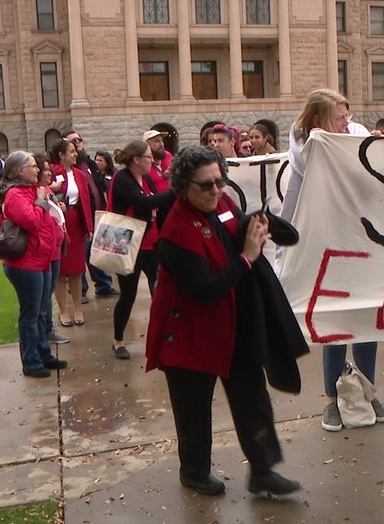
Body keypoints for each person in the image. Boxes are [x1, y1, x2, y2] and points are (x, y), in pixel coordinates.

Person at [145, 145, 305, 496]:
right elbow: (205, 290)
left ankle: (263, 471)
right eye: (205, 185)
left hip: (233, 328)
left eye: (220, 181)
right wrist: (247, 258)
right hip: (189, 335)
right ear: (184, 186)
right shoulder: (177, 233)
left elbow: (274, 234)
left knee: (253, 401)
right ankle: (194, 471)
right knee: (193, 413)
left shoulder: (225, 207)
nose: (215, 190)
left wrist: (265, 224)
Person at [280, 88, 384, 432]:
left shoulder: (357, 135)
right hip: (327, 248)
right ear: (318, 119)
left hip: (362, 243)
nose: (347, 122)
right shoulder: (303, 145)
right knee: (336, 325)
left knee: (367, 321)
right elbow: (310, 166)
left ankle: (366, 391)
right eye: (339, 117)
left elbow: (378, 172)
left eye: (347, 115)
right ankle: (331, 399)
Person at [0, 151, 68, 378]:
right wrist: (40, 201)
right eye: (33, 166)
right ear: (19, 171)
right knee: (30, 314)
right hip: (25, 263)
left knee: (40, 313)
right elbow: (33, 222)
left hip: (41, 259)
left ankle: (43, 354)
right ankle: (31, 361)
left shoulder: (32, 191)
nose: (38, 169)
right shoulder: (16, 195)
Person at [108, 140, 176, 360]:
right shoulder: (122, 179)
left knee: (161, 291)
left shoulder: (146, 177)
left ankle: (165, 338)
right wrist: (176, 191)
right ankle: (118, 340)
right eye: (148, 157)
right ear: (136, 159)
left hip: (151, 243)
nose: (152, 160)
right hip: (130, 245)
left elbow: (159, 203)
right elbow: (143, 203)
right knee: (128, 294)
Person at [63, 130, 118, 302]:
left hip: (97, 214)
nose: (78, 143)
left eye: (79, 139)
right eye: (74, 141)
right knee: (82, 252)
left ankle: (103, 286)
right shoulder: (70, 167)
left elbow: (99, 185)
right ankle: (81, 291)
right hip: (79, 216)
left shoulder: (88, 163)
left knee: (98, 251)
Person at [50, 139, 93, 327]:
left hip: (77, 222)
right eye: (72, 152)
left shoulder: (79, 175)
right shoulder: (52, 172)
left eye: (75, 151)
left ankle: (77, 308)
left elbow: (86, 201)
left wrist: (88, 227)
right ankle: (63, 310)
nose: (76, 154)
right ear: (61, 155)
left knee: (76, 269)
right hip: (59, 223)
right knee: (60, 270)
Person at [35, 152, 69, 345]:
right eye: (45, 169)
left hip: (55, 249)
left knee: (49, 290)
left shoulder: (46, 190)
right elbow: (36, 219)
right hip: (45, 251)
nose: (50, 173)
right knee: (43, 295)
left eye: (50, 169)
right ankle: (45, 331)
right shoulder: (36, 192)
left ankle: (47, 328)